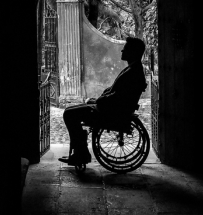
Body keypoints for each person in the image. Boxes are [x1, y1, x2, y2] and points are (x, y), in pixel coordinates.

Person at [58, 36, 148, 166]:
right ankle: (80, 150)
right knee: (70, 110)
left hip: (112, 111)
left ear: (133, 51)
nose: (122, 51)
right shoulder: (133, 68)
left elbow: (119, 96)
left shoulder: (133, 71)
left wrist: (101, 100)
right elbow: (116, 90)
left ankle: (81, 153)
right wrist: (101, 97)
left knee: (69, 114)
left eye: (126, 48)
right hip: (111, 107)